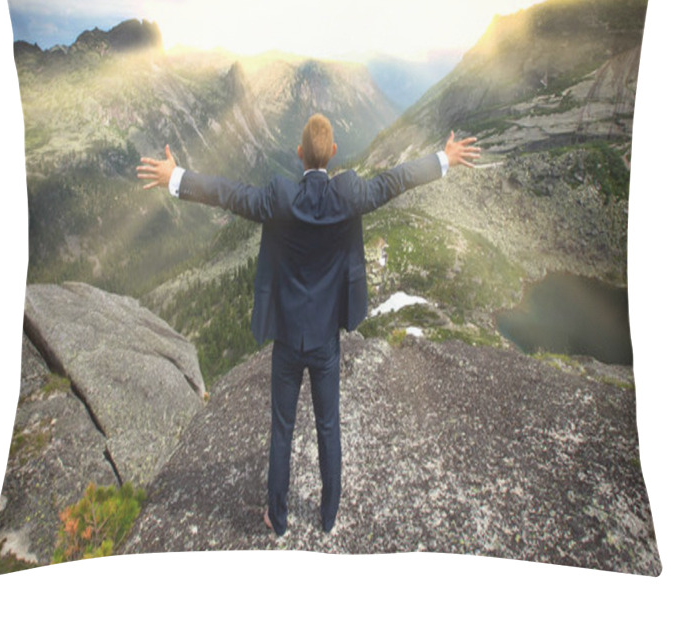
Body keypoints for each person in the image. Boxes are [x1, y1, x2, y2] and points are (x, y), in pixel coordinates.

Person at [137, 114, 480, 536]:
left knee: (282, 430)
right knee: (328, 426)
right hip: (325, 342)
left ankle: (277, 519)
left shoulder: (280, 197)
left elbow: (228, 194)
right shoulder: (350, 194)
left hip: (286, 338)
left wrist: (176, 178)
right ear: (333, 153)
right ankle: (329, 515)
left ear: (299, 154)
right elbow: (396, 180)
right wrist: (444, 159)